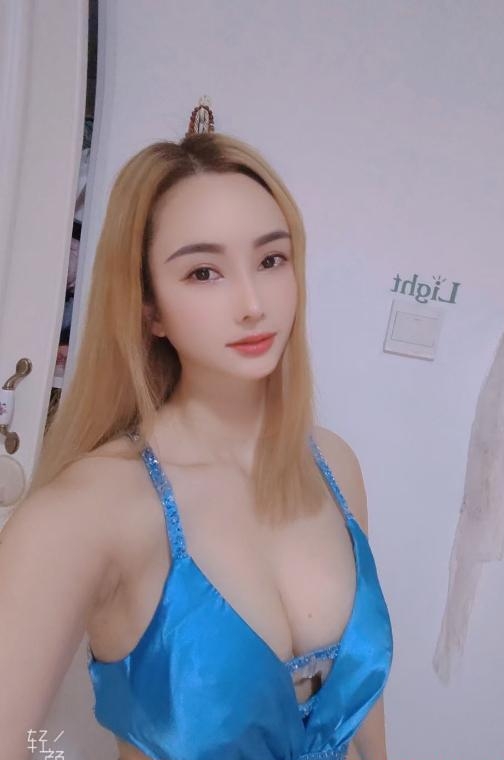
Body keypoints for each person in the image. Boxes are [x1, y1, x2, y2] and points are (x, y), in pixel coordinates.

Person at [0, 102, 393, 760]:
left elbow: (365, 719)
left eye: (272, 259)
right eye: (203, 272)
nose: (253, 303)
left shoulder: (334, 465)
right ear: (149, 308)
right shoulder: (86, 513)